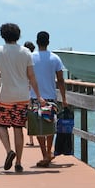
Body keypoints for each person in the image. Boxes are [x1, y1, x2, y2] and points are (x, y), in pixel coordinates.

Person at [0, 23, 45, 173]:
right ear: (18, 35)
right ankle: (19, 162)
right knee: (18, 128)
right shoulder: (26, 52)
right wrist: (38, 95)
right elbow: (32, 76)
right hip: (22, 96)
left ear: (3, 35)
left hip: (6, 96)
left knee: (1, 125)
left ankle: (9, 151)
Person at [29, 31, 67, 167]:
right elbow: (61, 80)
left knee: (37, 126)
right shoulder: (55, 58)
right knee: (50, 125)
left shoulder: (30, 57)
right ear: (48, 42)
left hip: (35, 96)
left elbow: (26, 77)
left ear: (37, 42)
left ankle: (44, 153)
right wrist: (64, 98)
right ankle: (48, 153)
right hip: (51, 97)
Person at [23, 41, 37, 147]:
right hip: (38, 90)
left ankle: (31, 139)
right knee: (41, 115)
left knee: (29, 116)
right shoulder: (35, 58)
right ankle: (42, 136)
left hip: (28, 92)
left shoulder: (26, 59)